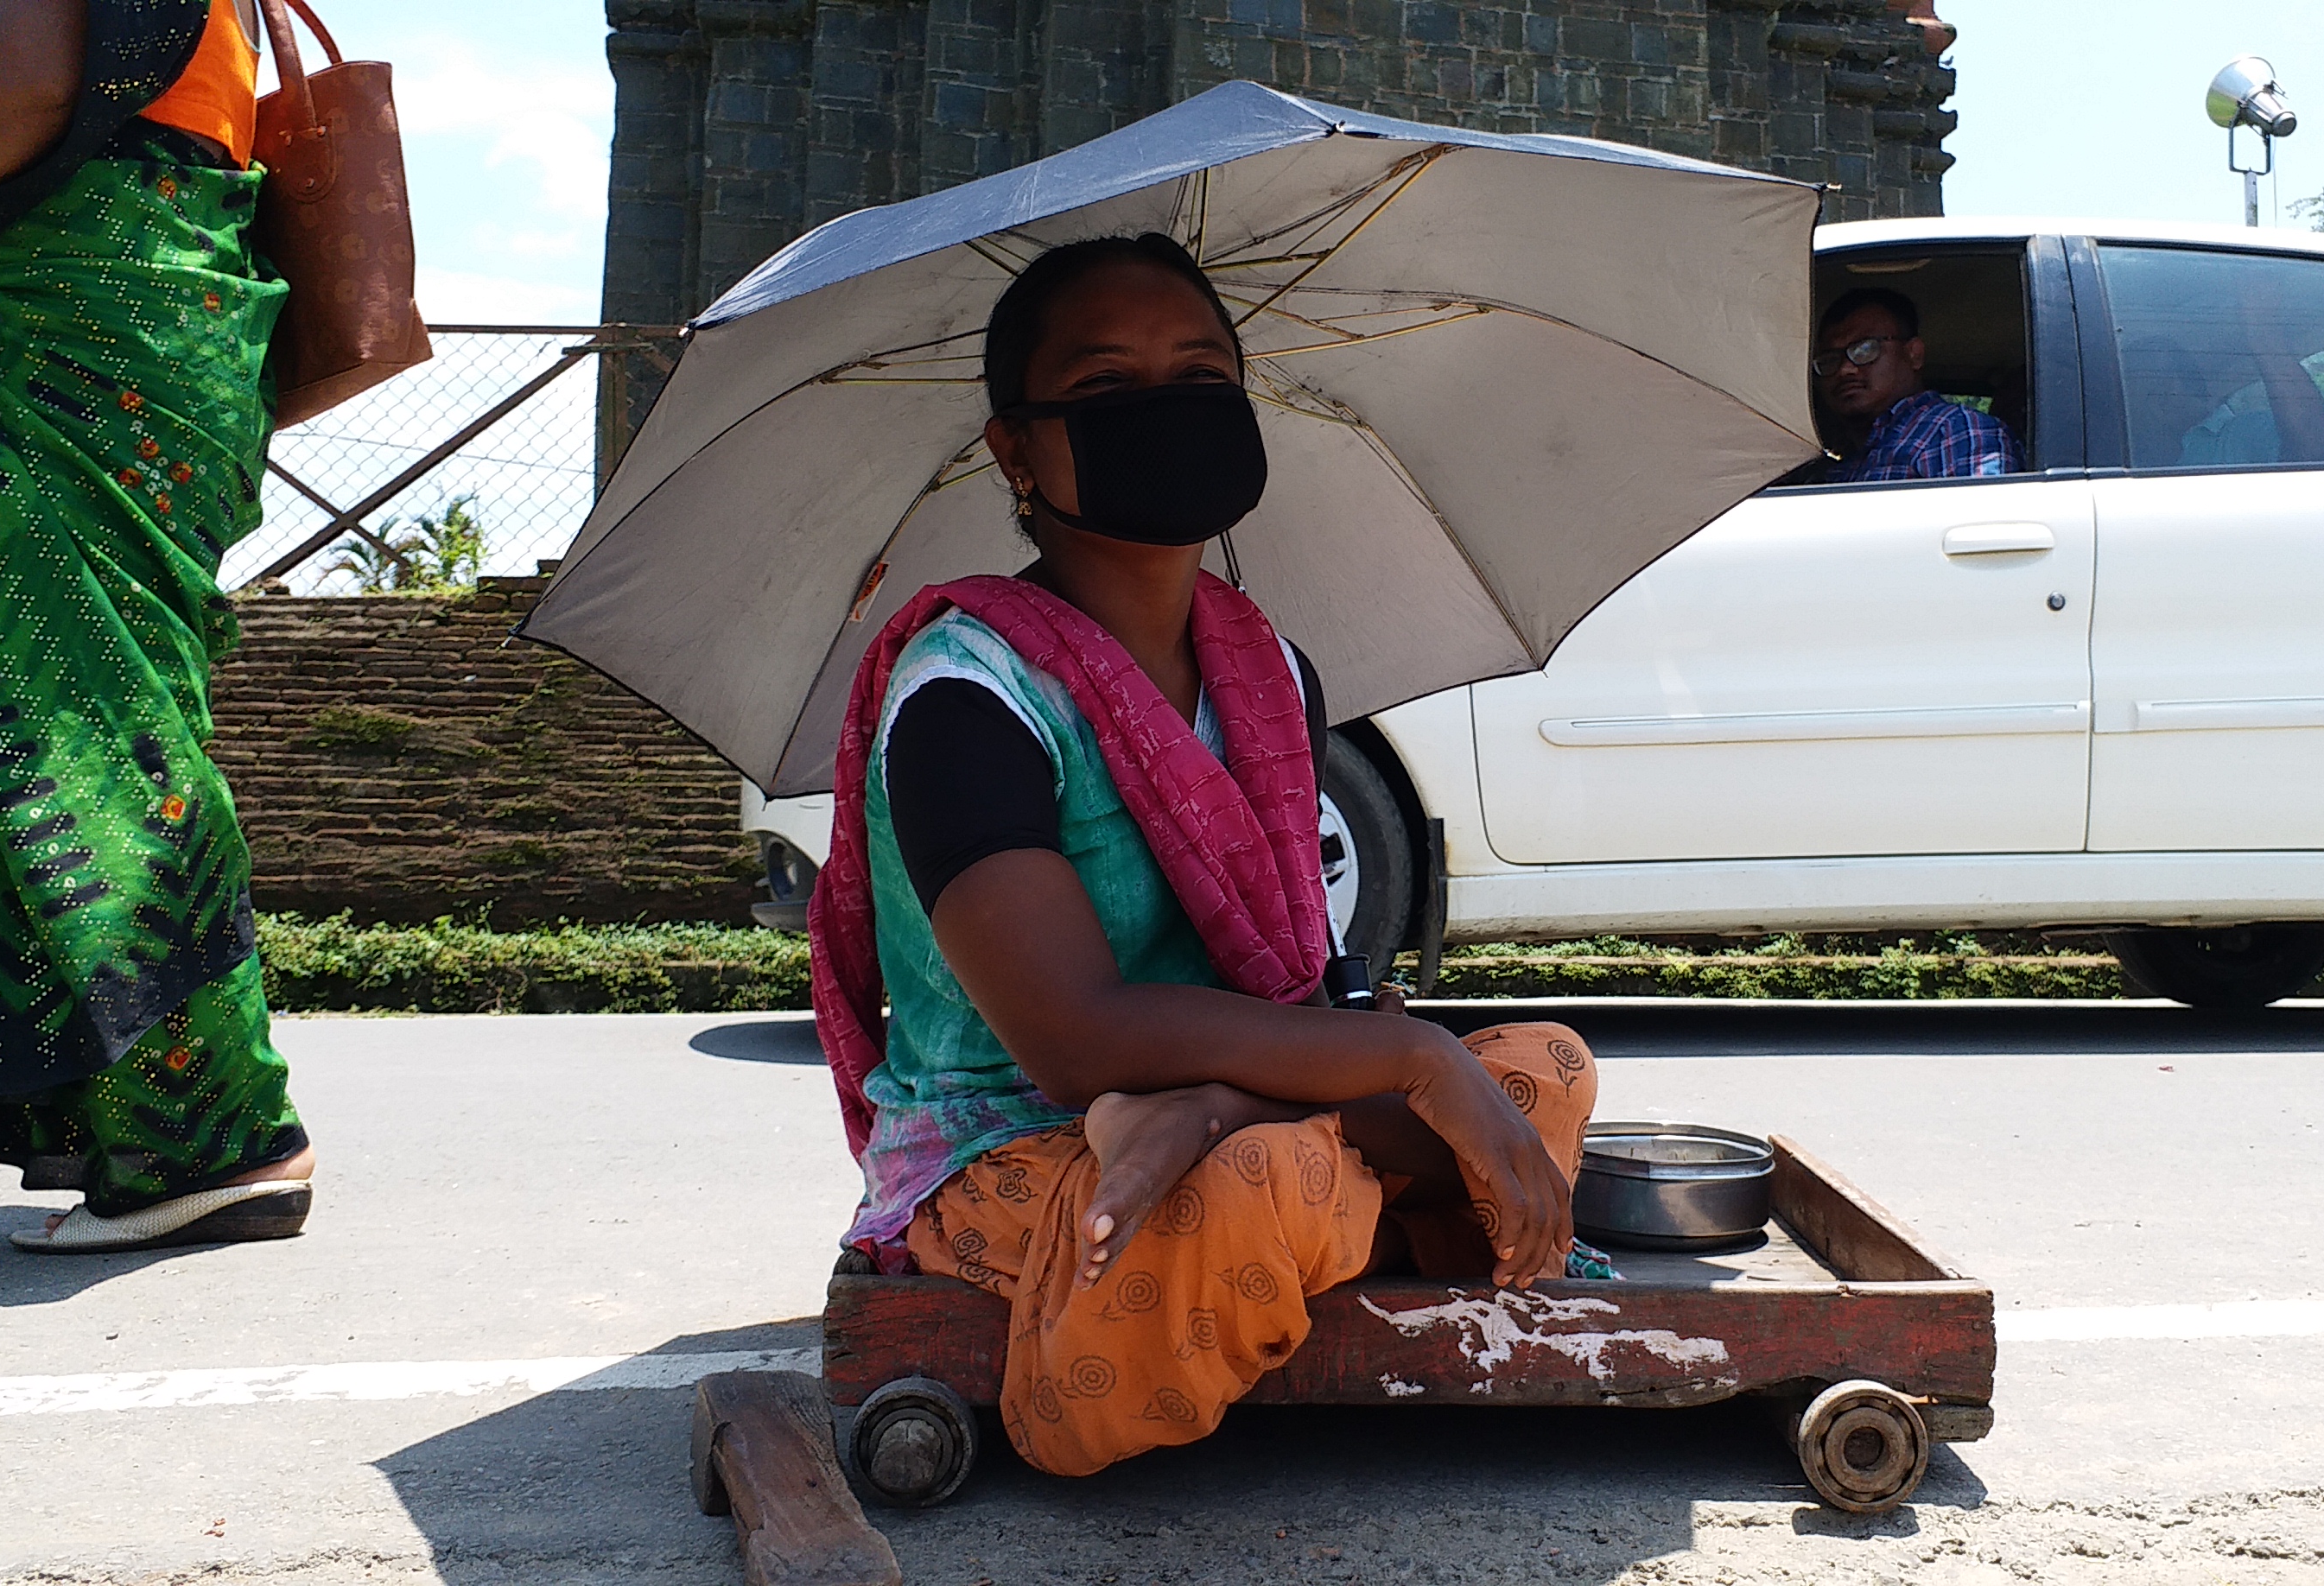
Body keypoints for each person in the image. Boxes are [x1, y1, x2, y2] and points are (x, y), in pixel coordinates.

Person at [808, 232, 1604, 1478]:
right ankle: (1288, 1257)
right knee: (1273, 1186)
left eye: (1200, 377)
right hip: (1022, 1144)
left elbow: (1308, 984)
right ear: (1016, 449)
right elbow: (1074, 1039)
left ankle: (1256, 1182)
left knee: (1542, 1069)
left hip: (1252, 1099)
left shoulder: (1268, 671)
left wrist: (1239, 1094)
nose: (1164, 414)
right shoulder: (968, 692)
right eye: (1109, 390)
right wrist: (1401, 1060)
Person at [0, 0, 314, 1252]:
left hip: (68, 285)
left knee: (83, 720)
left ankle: (213, 1135)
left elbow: (25, 85)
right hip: (131, 298)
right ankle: (110, 1111)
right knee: (62, 704)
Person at [1779, 287, 2022, 485]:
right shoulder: (1839, 464)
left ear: (1914, 354)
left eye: (1865, 350)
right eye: (1830, 360)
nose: (1846, 369)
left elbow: (1982, 533)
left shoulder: (1955, 430)